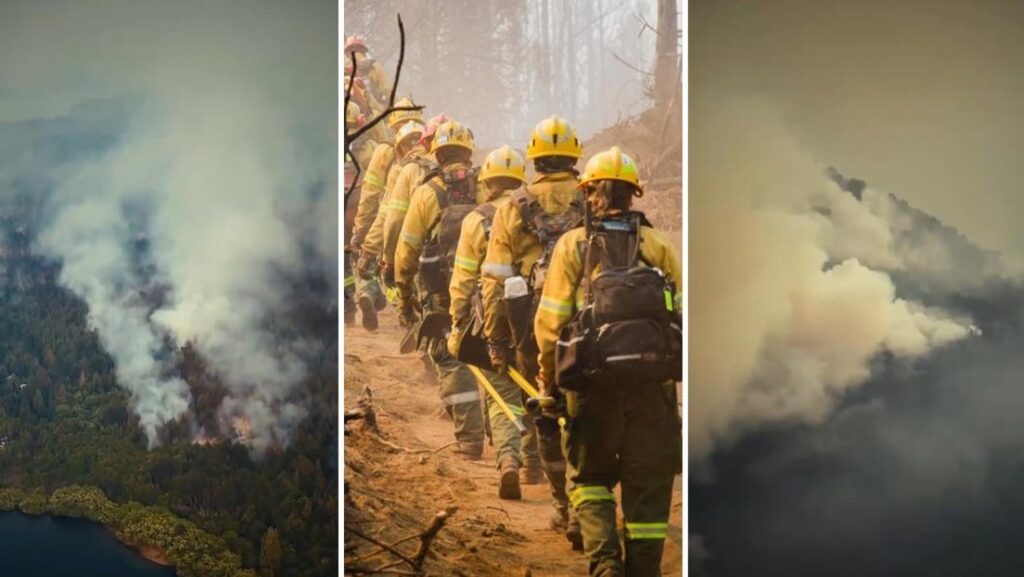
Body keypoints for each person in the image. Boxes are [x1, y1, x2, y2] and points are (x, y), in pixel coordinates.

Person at [534, 146, 683, 577]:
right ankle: (644, 569)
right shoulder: (657, 244)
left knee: (589, 478)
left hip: (591, 384)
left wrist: (551, 380)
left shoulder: (573, 245)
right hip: (652, 388)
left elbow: (550, 322)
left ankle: (604, 564)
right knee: (650, 487)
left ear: (588, 194)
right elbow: (683, 316)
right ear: (632, 195)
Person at [480, 115, 585, 548]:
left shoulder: (512, 207)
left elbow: (495, 278)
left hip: (530, 319)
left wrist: (495, 337)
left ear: (535, 160)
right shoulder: (591, 196)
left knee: (545, 407)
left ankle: (563, 506)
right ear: (573, 157)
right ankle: (586, 503)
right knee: (584, 409)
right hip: (589, 319)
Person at [394, 120, 485, 459]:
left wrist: (403, 294)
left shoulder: (426, 193)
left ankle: (470, 439)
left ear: (438, 153)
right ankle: (512, 441)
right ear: (468, 152)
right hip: (485, 286)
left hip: (441, 290)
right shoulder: (487, 187)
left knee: (450, 357)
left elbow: (407, 251)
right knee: (496, 355)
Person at [447, 145, 528, 498]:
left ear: (487, 182)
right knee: (541, 390)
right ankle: (540, 463)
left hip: (497, 316)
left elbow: (465, 276)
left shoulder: (475, 219)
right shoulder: (532, 212)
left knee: (502, 392)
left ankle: (509, 458)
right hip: (542, 315)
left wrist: (457, 318)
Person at [349, 97, 424, 330]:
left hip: (387, 221)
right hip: (421, 225)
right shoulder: (428, 156)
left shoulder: (385, 152)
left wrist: (359, 235)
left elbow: (371, 196)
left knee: (370, 266)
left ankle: (370, 295)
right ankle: (412, 313)